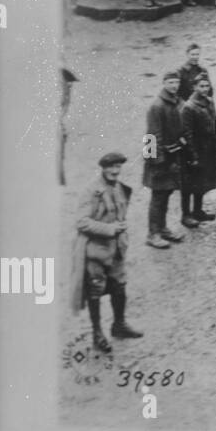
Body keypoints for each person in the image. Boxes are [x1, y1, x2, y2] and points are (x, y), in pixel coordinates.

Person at [70, 151, 143, 353]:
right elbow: (81, 222)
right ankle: (97, 334)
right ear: (103, 168)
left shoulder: (119, 187)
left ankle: (119, 325)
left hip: (116, 250)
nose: (114, 171)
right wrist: (110, 230)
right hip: (96, 252)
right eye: (111, 167)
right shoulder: (91, 191)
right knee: (95, 292)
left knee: (120, 288)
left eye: (118, 167)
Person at [142, 71, 186, 248]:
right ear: (163, 83)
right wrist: (156, 162)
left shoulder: (178, 102)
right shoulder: (157, 106)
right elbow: (151, 136)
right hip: (159, 159)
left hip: (173, 156)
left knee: (167, 193)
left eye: (176, 82)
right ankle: (152, 234)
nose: (174, 86)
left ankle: (163, 228)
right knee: (158, 196)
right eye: (170, 82)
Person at [179, 73, 216, 226]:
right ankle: (185, 215)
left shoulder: (209, 101)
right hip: (193, 151)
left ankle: (198, 211)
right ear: (194, 87)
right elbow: (187, 133)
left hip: (207, 149)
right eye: (201, 86)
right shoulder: (189, 107)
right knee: (188, 184)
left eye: (206, 86)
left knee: (201, 182)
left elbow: (215, 122)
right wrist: (193, 155)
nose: (204, 89)